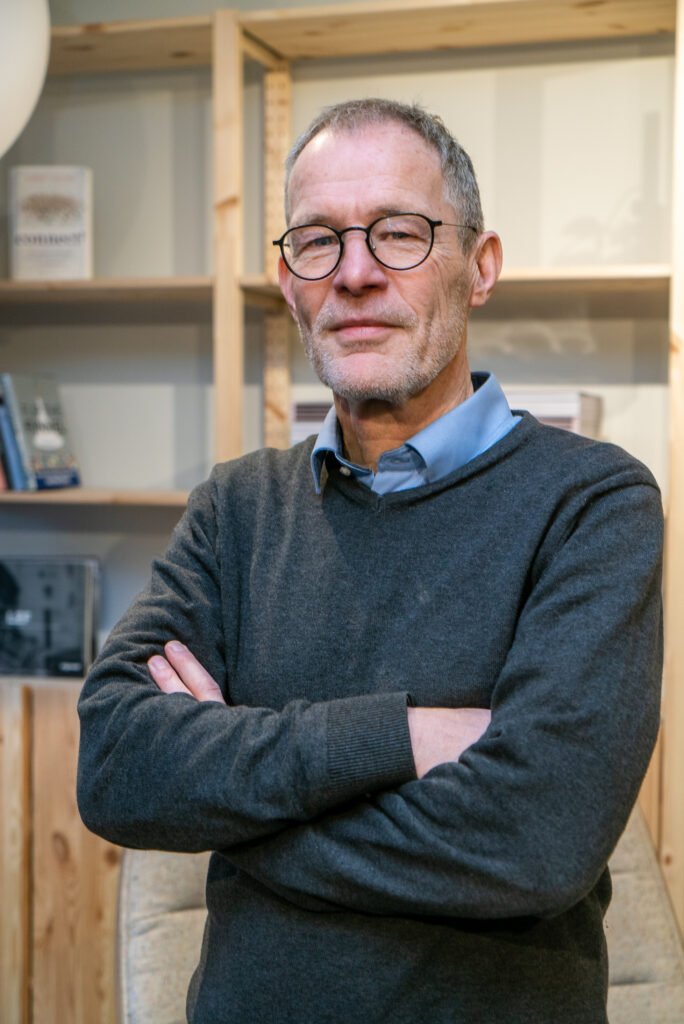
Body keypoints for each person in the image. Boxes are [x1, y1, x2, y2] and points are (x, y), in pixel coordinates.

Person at [77, 98, 663, 1024]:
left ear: (480, 266)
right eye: (318, 240)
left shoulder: (593, 501)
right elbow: (115, 764)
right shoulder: (236, 508)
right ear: (288, 281)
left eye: (399, 233)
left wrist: (240, 814)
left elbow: (536, 839)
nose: (354, 274)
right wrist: (398, 736)